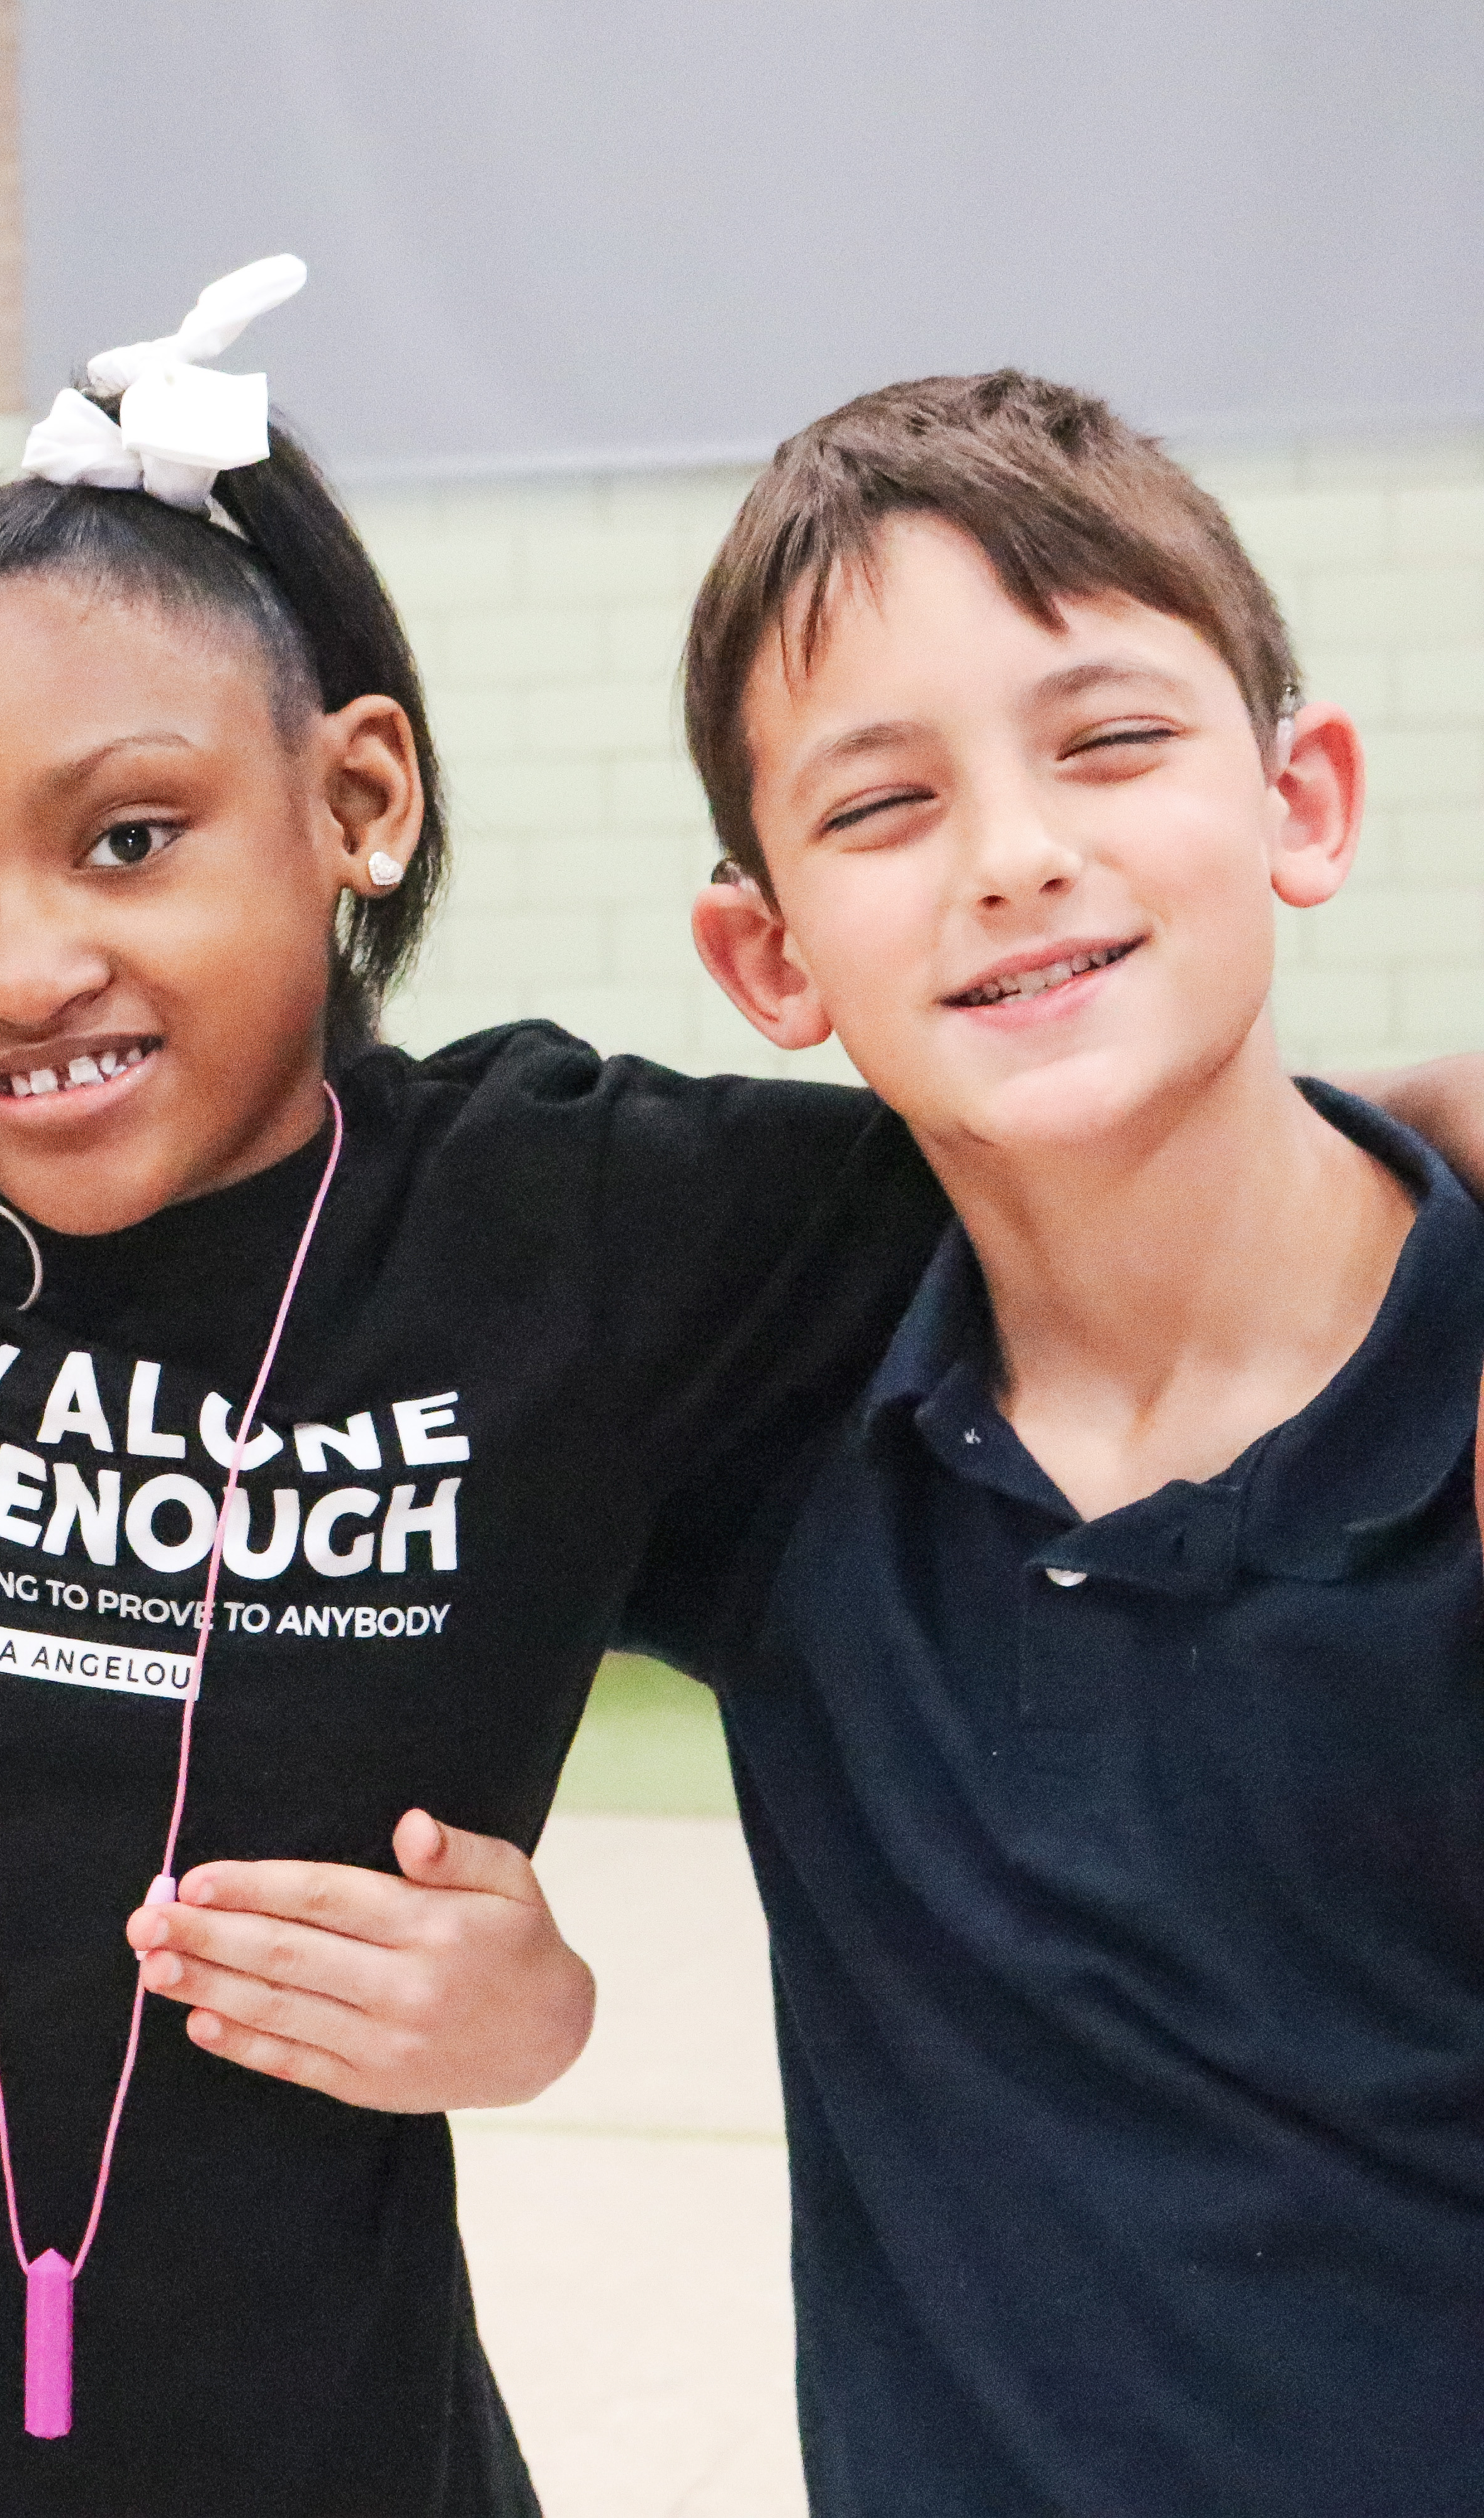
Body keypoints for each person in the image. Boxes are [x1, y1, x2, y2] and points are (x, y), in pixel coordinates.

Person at [0, 268, 968, 2512]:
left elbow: (1165, 1181)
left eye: (128, 836)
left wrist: (536, 2004)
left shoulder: (567, 1221)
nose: (24, 955)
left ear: (352, 794)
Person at [627, 371, 1484, 2513]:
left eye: (1111, 741)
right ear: (764, 951)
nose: (1019, 855)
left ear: (1304, 800)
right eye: (881, 805)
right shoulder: (761, 1416)